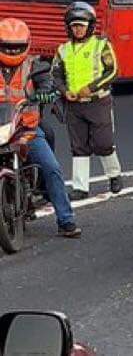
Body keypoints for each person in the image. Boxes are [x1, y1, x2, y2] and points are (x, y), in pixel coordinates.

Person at [0, 18, 80, 237]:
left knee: (52, 168)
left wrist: (47, 91)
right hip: (1, 130)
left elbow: (48, 82)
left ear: (26, 44)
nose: (11, 50)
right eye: (6, 45)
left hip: (26, 130)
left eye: (16, 46)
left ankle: (66, 220)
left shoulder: (35, 65)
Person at [52, 2, 124, 201]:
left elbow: (114, 71)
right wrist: (65, 91)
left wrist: (91, 88)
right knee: (79, 147)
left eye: (81, 25)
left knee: (104, 143)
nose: (78, 29)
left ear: (90, 26)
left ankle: (114, 175)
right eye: (74, 25)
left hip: (98, 102)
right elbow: (55, 75)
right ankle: (80, 187)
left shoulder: (102, 45)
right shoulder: (63, 50)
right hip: (74, 105)